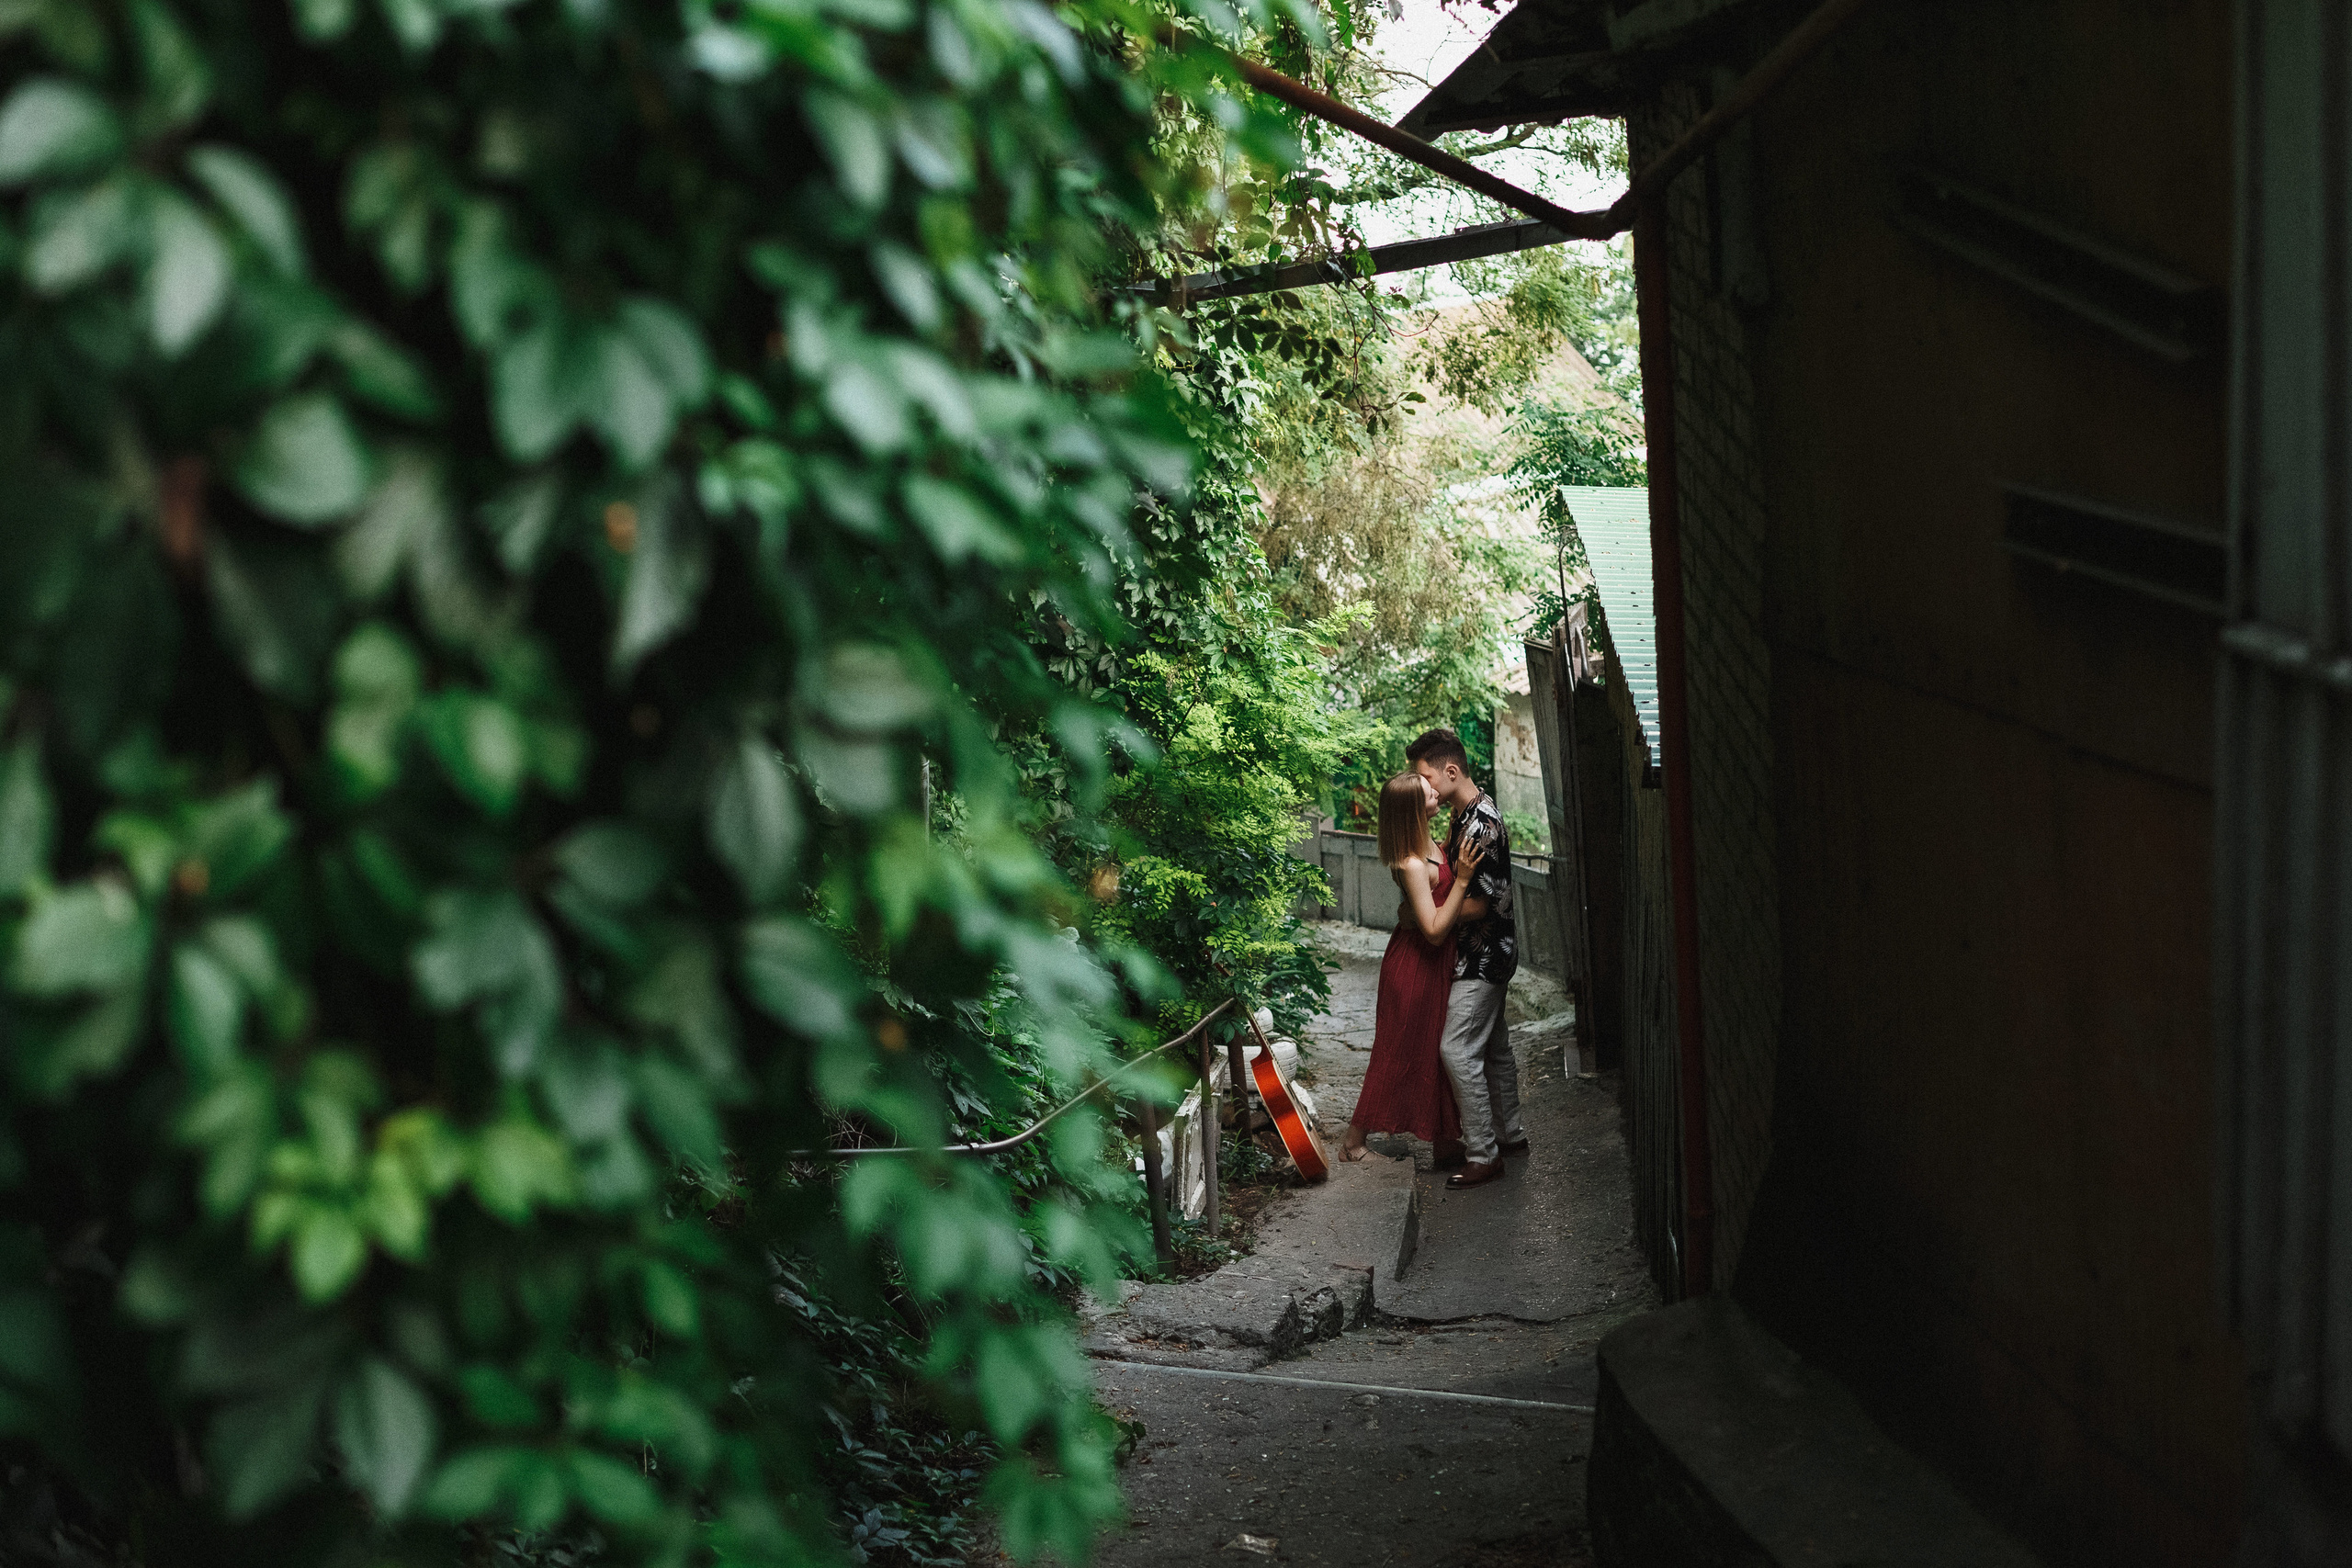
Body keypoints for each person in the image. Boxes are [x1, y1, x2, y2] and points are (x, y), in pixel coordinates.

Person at [1340, 773, 1486, 1164]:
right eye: (1428, 792)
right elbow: (1435, 931)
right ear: (1413, 810)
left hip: (1430, 966)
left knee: (1434, 1054)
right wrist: (1464, 880)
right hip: (1415, 967)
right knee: (1395, 1054)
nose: (1436, 791)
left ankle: (1444, 1140)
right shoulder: (1410, 863)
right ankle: (1353, 1145)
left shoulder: (1430, 846)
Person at [1408, 728, 1525, 1190]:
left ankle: (1483, 1153)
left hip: (1484, 958)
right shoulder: (1466, 813)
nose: (1424, 787)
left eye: (1426, 776)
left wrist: (1429, 918)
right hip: (1490, 953)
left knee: (1456, 1049)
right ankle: (1509, 1135)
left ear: (1450, 772)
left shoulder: (1478, 824)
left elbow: (1481, 903)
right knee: (1494, 1049)